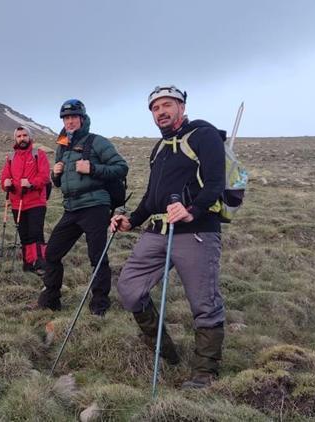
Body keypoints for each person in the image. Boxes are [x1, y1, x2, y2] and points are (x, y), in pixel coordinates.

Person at [110, 85, 226, 389]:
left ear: (181, 106)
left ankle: (205, 372)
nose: (160, 112)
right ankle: (165, 351)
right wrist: (131, 220)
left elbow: (216, 182)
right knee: (129, 288)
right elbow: (151, 197)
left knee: (204, 301)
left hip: (197, 231)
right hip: (158, 231)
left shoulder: (204, 135)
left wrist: (193, 210)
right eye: (155, 108)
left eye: (166, 105)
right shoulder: (159, 148)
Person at [32, 99, 128, 315]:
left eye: (74, 117)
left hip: (95, 206)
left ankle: (99, 305)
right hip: (71, 208)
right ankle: (51, 300)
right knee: (52, 253)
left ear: (82, 119)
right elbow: (59, 183)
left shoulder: (97, 142)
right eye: (66, 118)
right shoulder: (62, 147)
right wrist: (55, 175)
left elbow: (121, 167)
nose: (70, 121)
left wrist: (92, 168)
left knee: (97, 256)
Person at [0, 126, 51, 274]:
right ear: (15, 139)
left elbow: (44, 176)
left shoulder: (38, 154)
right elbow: (4, 177)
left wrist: (31, 183)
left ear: (30, 137)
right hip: (17, 203)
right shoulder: (10, 157)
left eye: (24, 135)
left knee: (36, 233)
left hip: (36, 201)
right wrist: (5, 183)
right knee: (24, 234)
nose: (22, 138)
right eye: (19, 136)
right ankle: (28, 264)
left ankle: (40, 264)